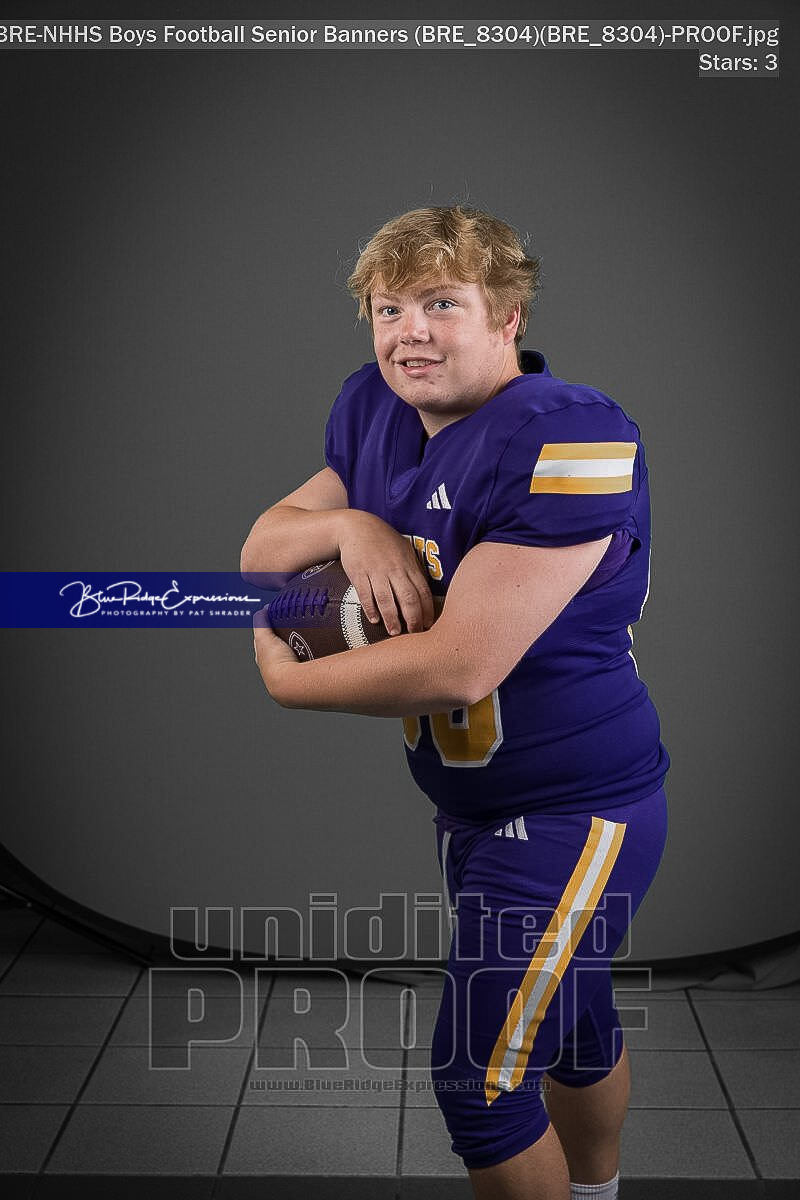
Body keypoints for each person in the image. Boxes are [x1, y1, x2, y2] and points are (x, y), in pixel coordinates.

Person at [243, 205, 669, 1200]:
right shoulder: (378, 410)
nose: (410, 333)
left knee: (479, 1082)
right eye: (388, 309)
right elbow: (263, 546)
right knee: (574, 1026)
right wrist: (352, 526)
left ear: (507, 314)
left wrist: (288, 681)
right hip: (471, 805)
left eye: (441, 303)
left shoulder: (569, 431)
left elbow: (462, 665)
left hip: (574, 807)